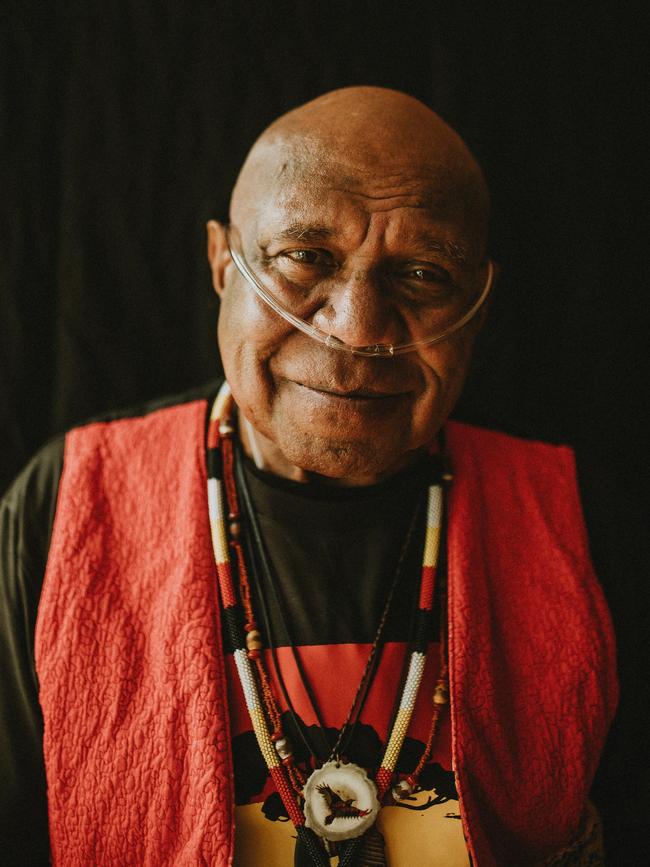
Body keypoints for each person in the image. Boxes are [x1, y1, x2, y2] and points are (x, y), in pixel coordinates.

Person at [0, 87, 618, 866]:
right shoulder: (65, 508)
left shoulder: (580, 524)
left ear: (479, 304)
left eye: (423, 274)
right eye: (305, 258)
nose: (357, 328)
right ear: (223, 264)